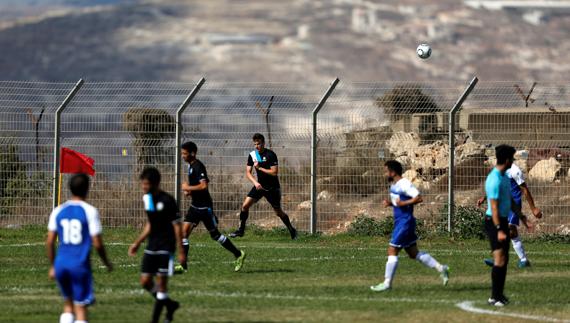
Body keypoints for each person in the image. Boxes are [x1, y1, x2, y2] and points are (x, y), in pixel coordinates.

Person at [370, 160, 449, 292]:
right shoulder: (395, 185)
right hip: (402, 222)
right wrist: (391, 203)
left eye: (386, 171)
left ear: (392, 171)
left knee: (392, 250)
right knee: (413, 253)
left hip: (404, 222)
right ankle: (441, 268)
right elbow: (400, 201)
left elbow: (418, 198)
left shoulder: (404, 184)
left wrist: (403, 204)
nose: (384, 174)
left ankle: (387, 283)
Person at [46, 174, 113, 323]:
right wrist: (106, 262)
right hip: (79, 265)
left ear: (69, 188)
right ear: (87, 189)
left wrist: (53, 266)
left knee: (68, 305)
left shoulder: (58, 210)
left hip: (61, 264)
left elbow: (50, 242)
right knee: (81, 308)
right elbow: (97, 243)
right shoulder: (89, 211)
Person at [174, 141, 246, 274]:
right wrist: (189, 192)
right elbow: (200, 185)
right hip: (195, 207)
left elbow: (204, 185)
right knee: (183, 234)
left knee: (215, 236)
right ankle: (182, 266)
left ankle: (238, 254)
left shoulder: (197, 166)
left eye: (184, 153)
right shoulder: (190, 166)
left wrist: (187, 187)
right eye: (182, 153)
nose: (182, 156)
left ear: (192, 153)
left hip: (205, 208)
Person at [128, 167, 185, 323]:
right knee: (145, 282)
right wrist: (137, 243)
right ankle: (170, 305)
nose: (144, 187)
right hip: (152, 245)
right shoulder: (147, 199)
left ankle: (154, 320)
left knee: (161, 285)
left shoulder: (167, 200)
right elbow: (150, 224)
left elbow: (177, 227)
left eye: (146, 184)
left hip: (166, 246)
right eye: (143, 184)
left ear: (156, 183)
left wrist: (181, 251)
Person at [230, 133, 297, 239]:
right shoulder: (252, 155)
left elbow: (274, 172)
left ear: (263, 143)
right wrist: (255, 183)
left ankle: (292, 230)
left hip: (272, 188)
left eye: (259, 144)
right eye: (255, 144)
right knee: (245, 206)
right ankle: (241, 230)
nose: (257, 146)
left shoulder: (270, 154)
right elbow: (248, 172)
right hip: (259, 186)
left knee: (278, 212)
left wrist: (260, 168)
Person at [478, 161, 543, 268]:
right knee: (509, 232)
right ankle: (521, 260)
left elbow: (525, 190)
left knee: (509, 229)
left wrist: (534, 208)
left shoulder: (515, 171)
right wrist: (484, 197)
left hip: (514, 204)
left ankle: (505, 259)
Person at [484, 144, 517, 307]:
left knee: (505, 258)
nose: (513, 161)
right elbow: (494, 208)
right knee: (499, 258)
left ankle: (499, 295)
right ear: (506, 159)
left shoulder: (504, 176)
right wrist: (499, 230)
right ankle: (494, 297)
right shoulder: (494, 179)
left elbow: (509, 200)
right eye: (512, 158)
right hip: (493, 222)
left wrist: (522, 217)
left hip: (502, 220)